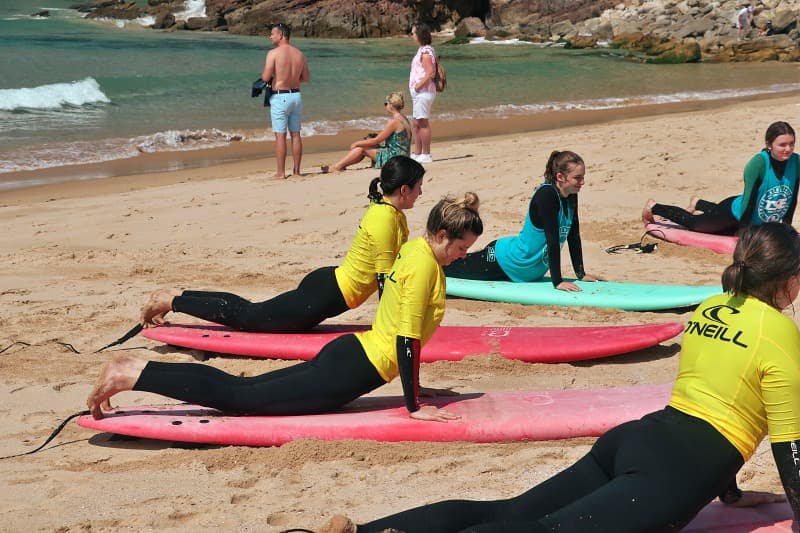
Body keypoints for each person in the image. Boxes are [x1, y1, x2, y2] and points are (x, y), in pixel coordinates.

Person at [317, 222, 800, 533]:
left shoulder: (712, 307)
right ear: (787, 278)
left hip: (637, 439)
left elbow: (717, 391)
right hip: (678, 468)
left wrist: (731, 494)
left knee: (507, 512)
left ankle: (358, 531)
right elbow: (788, 445)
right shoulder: (779, 331)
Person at [87, 193, 484, 421]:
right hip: (352, 370)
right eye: (462, 247)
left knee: (246, 390)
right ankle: (131, 372)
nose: (463, 256)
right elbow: (408, 339)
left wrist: (416, 386)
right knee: (241, 398)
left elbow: (399, 327)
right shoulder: (425, 268)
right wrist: (415, 406)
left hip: (351, 356)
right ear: (443, 235)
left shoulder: (416, 249)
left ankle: (136, 371)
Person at [140, 156, 424, 333]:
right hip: (327, 295)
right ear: (404, 189)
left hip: (329, 287)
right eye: (419, 187)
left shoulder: (391, 214)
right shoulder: (386, 219)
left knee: (255, 311)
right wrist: (390, 329)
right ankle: (173, 300)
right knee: (250, 318)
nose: (421, 193)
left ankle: (179, 294)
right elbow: (385, 280)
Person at [444, 150, 600, 292]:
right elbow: (552, 240)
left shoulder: (570, 194)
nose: (582, 182)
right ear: (560, 177)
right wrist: (557, 282)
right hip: (507, 261)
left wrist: (580, 273)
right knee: (449, 267)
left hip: (527, 270)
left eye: (583, 177)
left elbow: (573, 234)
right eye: (577, 178)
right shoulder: (547, 196)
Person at [643, 121, 798, 235]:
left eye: (792, 144)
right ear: (769, 144)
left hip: (752, 212)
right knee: (695, 223)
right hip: (736, 213)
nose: (788, 149)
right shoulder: (759, 164)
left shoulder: (796, 162)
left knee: (716, 215)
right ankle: (654, 206)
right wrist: (744, 234)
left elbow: (792, 199)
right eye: (782, 145)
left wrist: (787, 228)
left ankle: (698, 203)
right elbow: (749, 200)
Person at [261, 22, 310, 180]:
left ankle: (281, 173)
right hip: (296, 95)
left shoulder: (273, 53)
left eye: (272, 33)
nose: (270, 36)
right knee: (296, 134)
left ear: (281, 35)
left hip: (280, 96)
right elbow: (306, 78)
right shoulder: (299, 54)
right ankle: (296, 171)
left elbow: (265, 77)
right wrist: (292, 79)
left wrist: (277, 79)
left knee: (280, 136)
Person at [321, 92, 412, 173]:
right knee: (367, 145)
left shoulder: (394, 122)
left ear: (391, 105)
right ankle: (342, 165)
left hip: (395, 159)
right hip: (404, 158)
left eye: (386, 104)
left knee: (362, 148)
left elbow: (376, 140)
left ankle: (337, 167)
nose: (386, 106)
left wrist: (356, 143)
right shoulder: (404, 119)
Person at [408, 22, 437, 164]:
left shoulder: (426, 52)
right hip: (420, 93)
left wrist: (417, 87)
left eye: (413, 33)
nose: (412, 36)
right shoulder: (423, 50)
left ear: (420, 35)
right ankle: (418, 152)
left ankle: (426, 153)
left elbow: (430, 73)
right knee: (416, 123)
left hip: (423, 92)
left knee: (422, 122)